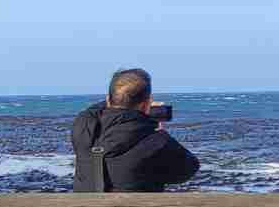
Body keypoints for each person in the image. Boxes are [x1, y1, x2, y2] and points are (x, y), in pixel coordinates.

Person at [71, 68, 199, 193]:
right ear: (146, 104)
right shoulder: (157, 141)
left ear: (108, 99)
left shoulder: (83, 125)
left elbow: (90, 111)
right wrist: (161, 132)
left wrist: (120, 98)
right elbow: (189, 169)